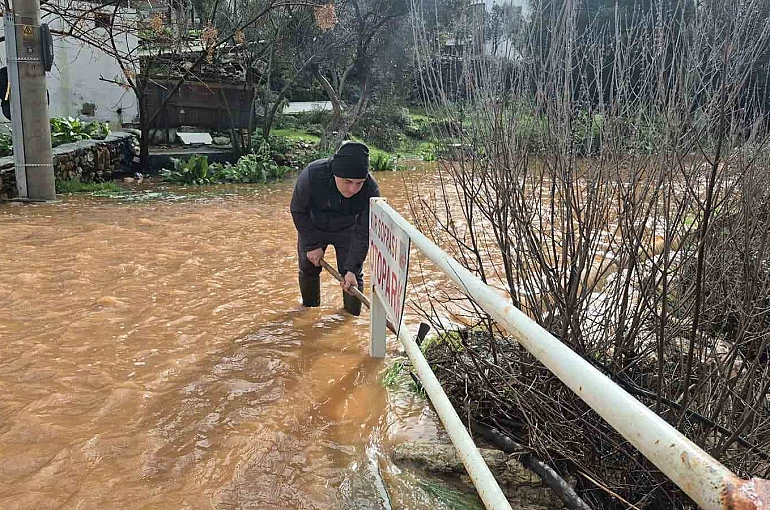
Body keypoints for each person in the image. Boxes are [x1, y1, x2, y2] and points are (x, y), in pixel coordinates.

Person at [290, 141, 380, 316]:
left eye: (359, 183)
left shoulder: (371, 189)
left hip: (348, 231)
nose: (353, 189)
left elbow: (364, 231)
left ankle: (350, 318)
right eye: (347, 182)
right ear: (334, 174)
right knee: (308, 269)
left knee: (352, 278)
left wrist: (353, 268)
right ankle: (309, 311)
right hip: (313, 227)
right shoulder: (313, 174)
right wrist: (311, 245)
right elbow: (297, 209)